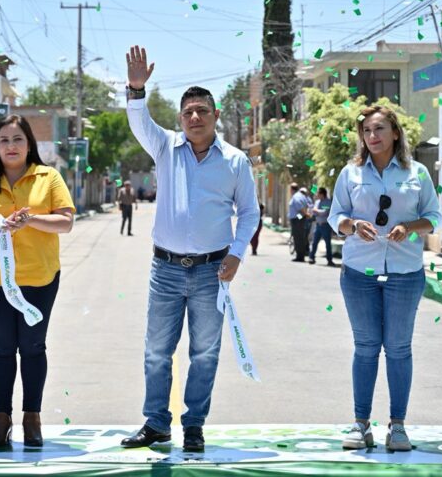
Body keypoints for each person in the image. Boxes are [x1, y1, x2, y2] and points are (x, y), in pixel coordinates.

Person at [120, 46, 259, 453]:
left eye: (202, 111)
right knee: (157, 350)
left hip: (211, 272)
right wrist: (136, 88)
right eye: (187, 113)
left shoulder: (234, 162)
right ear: (180, 120)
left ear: (215, 116)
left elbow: (249, 212)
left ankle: (194, 425)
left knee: (204, 353)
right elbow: (138, 120)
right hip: (164, 270)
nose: (194, 117)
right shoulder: (164, 147)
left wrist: (236, 254)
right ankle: (157, 423)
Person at [0, 115, 76, 449]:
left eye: (18, 139)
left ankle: (32, 419)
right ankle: (1, 420)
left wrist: (31, 219)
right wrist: (0, 226)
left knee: (33, 347)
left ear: (29, 144)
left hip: (39, 279)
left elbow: (65, 222)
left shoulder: (48, 176)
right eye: (4, 140)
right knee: (2, 348)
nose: (11, 146)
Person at [328, 104, 441, 452]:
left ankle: (398, 426)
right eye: (366, 131)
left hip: (405, 273)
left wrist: (409, 227)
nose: (372, 136)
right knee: (365, 348)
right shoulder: (350, 173)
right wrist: (352, 225)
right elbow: (336, 217)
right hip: (358, 272)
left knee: (398, 348)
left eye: (379, 129)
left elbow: (433, 216)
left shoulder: (417, 172)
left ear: (395, 132)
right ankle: (361, 424)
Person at [309, 187, 335, 266]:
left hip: (325, 225)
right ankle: (311, 257)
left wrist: (316, 210)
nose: (317, 195)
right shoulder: (317, 202)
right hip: (318, 225)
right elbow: (315, 212)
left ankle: (329, 260)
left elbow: (324, 212)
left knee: (327, 243)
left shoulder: (328, 202)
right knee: (314, 242)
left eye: (318, 193)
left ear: (322, 194)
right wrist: (315, 211)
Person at [288, 183, 310, 262]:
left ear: (292, 189)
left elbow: (299, 207)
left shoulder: (296, 196)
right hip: (299, 218)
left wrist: (305, 214)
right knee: (300, 237)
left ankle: (300, 256)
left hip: (297, 220)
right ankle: (300, 255)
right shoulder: (301, 195)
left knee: (298, 238)